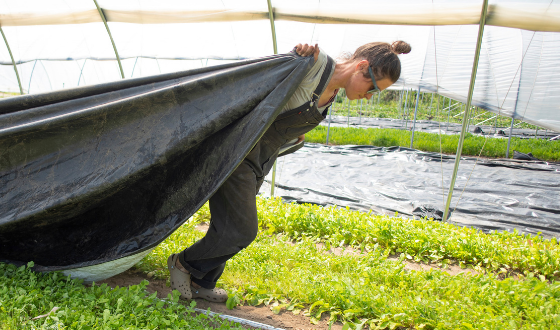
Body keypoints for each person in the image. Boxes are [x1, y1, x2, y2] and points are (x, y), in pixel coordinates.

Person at [167, 40, 412, 303]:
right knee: (241, 231)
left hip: (261, 159)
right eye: (373, 88)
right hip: (238, 153)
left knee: (226, 223)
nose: (370, 96)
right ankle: (183, 263)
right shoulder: (314, 65)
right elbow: (262, 80)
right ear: (362, 66)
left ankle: (202, 281)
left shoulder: (332, 92)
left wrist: (294, 136)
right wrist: (295, 55)